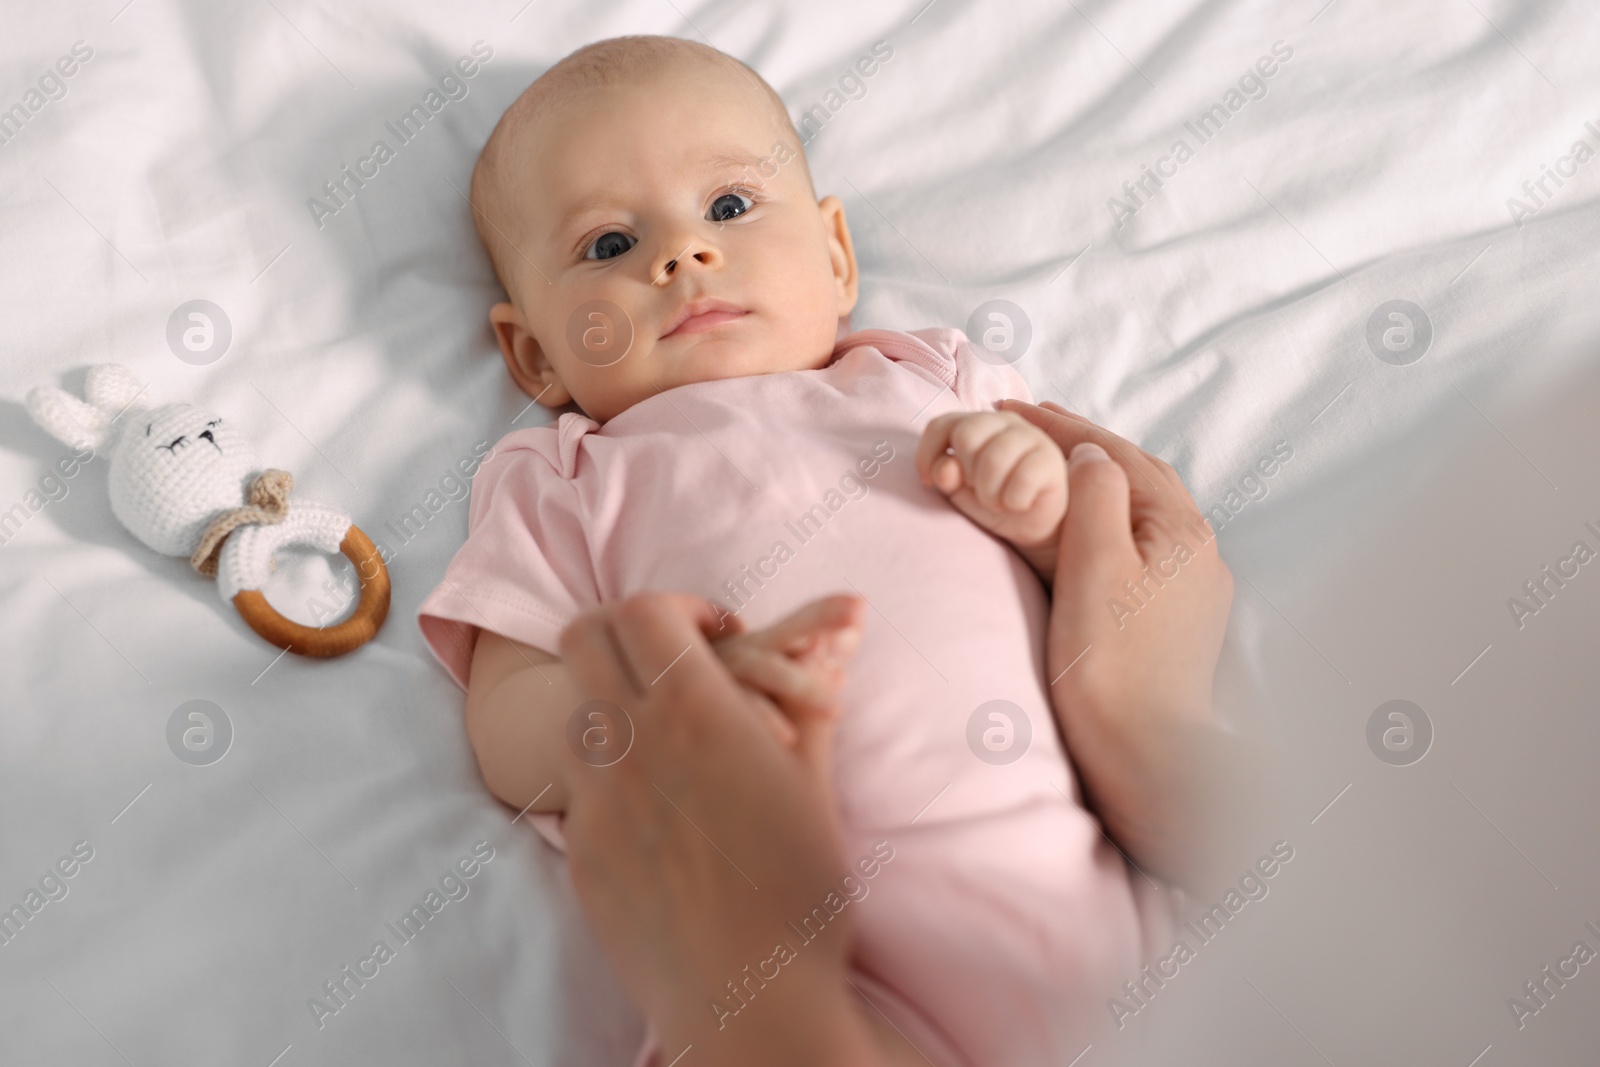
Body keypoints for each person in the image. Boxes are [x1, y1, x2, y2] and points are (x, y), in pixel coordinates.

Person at [557, 402, 1268, 1066]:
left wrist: (1039, 504)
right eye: (607, 255)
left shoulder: (922, 377)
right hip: (853, 983)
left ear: (839, 269)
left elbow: (1063, 543)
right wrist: (661, 705)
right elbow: (507, 706)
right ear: (533, 356)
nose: (684, 260)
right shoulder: (566, 472)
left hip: (1083, 907)